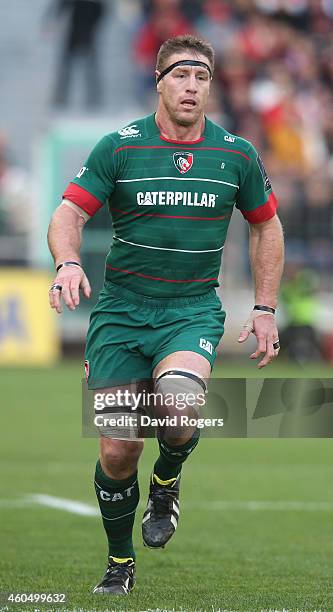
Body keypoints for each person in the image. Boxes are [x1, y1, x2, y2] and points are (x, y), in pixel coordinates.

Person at [47, 34, 284, 596]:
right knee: (117, 446)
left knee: (178, 407)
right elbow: (68, 213)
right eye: (181, 75)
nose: (192, 86)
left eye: (202, 76)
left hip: (190, 312)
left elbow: (265, 225)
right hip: (121, 315)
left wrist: (265, 308)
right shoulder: (120, 147)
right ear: (159, 82)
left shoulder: (236, 154)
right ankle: (120, 563)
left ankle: (168, 479)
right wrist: (67, 262)